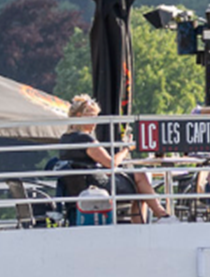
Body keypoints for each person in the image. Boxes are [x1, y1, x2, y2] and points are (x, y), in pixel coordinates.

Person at [58, 95, 169, 223]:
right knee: (140, 177)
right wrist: (126, 148)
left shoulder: (65, 139)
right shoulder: (85, 139)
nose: (95, 121)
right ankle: (160, 215)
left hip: (81, 186)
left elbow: (83, 164)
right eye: (92, 116)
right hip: (98, 186)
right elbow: (111, 163)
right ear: (78, 116)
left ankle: (149, 220)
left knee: (139, 183)